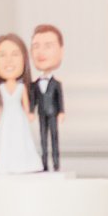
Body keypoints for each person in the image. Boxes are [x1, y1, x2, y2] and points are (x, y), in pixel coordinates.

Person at [0, 33, 41, 174]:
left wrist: (29, 113)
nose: (9, 60)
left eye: (15, 54)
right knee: (6, 140)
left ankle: (24, 163)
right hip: (6, 118)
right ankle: (5, 164)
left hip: (18, 117)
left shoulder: (21, 87)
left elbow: (25, 103)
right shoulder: (1, 88)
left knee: (20, 139)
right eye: (2, 55)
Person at [30, 23, 66, 171]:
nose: (41, 52)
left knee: (54, 138)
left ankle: (56, 163)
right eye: (36, 46)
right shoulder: (35, 84)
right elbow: (33, 99)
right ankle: (44, 163)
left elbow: (60, 99)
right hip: (41, 114)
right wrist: (31, 111)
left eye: (48, 45)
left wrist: (61, 112)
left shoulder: (56, 84)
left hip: (53, 113)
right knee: (43, 139)